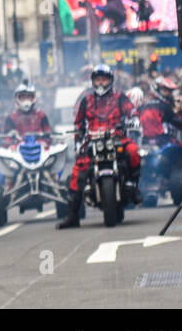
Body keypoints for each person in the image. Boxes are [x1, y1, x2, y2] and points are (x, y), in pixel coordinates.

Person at [58, 64, 140, 229]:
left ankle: (133, 185)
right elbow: (78, 123)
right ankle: (72, 216)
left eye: (104, 79)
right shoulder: (86, 101)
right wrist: (78, 136)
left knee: (134, 152)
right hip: (92, 140)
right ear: (93, 81)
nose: (101, 83)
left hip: (117, 138)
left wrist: (134, 120)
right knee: (77, 171)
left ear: (110, 80)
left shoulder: (120, 97)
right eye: (98, 79)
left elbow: (132, 113)